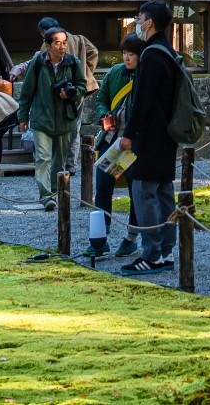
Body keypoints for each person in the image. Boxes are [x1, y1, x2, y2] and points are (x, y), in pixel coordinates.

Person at [115, 0, 181, 275]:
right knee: (164, 192)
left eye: (140, 18)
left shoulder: (151, 55)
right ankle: (166, 250)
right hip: (167, 133)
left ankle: (151, 252)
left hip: (149, 135)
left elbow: (142, 99)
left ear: (150, 22)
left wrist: (129, 133)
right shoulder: (169, 52)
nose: (137, 23)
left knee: (144, 193)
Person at [17, 25, 90, 210]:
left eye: (64, 43)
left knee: (59, 160)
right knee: (42, 158)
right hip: (42, 119)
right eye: (57, 43)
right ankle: (46, 196)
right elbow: (27, 92)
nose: (62, 46)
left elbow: (82, 86)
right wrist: (23, 116)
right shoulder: (38, 63)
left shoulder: (73, 63)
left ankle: (56, 193)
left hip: (65, 120)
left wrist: (72, 94)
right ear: (48, 45)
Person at [93, 33, 145, 258]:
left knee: (136, 191)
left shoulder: (147, 77)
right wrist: (104, 113)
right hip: (111, 139)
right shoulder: (114, 73)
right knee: (103, 186)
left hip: (134, 144)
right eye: (124, 53)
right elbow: (102, 97)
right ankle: (100, 238)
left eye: (131, 53)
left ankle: (131, 237)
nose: (127, 57)